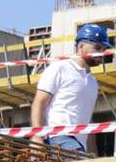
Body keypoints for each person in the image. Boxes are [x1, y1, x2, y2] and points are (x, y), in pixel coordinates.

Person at [31, 23, 109, 154]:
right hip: (57, 137)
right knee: (78, 160)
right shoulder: (59, 68)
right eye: (97, 48)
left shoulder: (92, 82)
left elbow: (87, 120)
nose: (101, 53)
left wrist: (93, 154)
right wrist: (37, 136)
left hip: (79, 144)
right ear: (81, 46)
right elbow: (39, 102)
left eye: (103, 49)